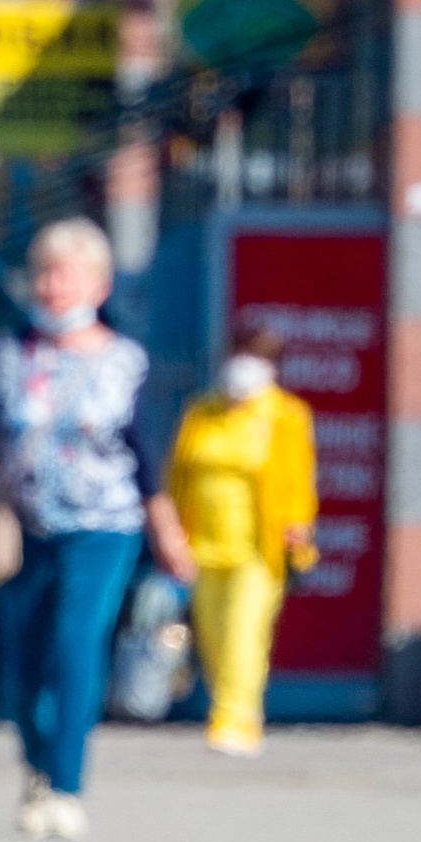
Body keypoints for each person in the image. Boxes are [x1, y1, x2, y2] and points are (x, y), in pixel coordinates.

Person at [0, 217, 194, 841]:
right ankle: (35, 766)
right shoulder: (8, 356)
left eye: (70, 274)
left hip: (103, 528)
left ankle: (67, 784)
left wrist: (168, 533)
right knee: (23, 656)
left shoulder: (125, 361)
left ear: (100, 283)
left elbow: (145, 457)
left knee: (74, 642)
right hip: (21, 526)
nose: (55, 286)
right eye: (46, 273)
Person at [166, 317, 318, 757]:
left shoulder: (286, 416)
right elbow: (178, 473)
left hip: (260, 545)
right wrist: (170, 530)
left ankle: (235, 719)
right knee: (212, 635)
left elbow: (299, 480)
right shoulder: (202, 411)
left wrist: (299, 523)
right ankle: (230, 706)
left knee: (244, 632)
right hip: (203, 542)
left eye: (257, 360)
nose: (244, 368)